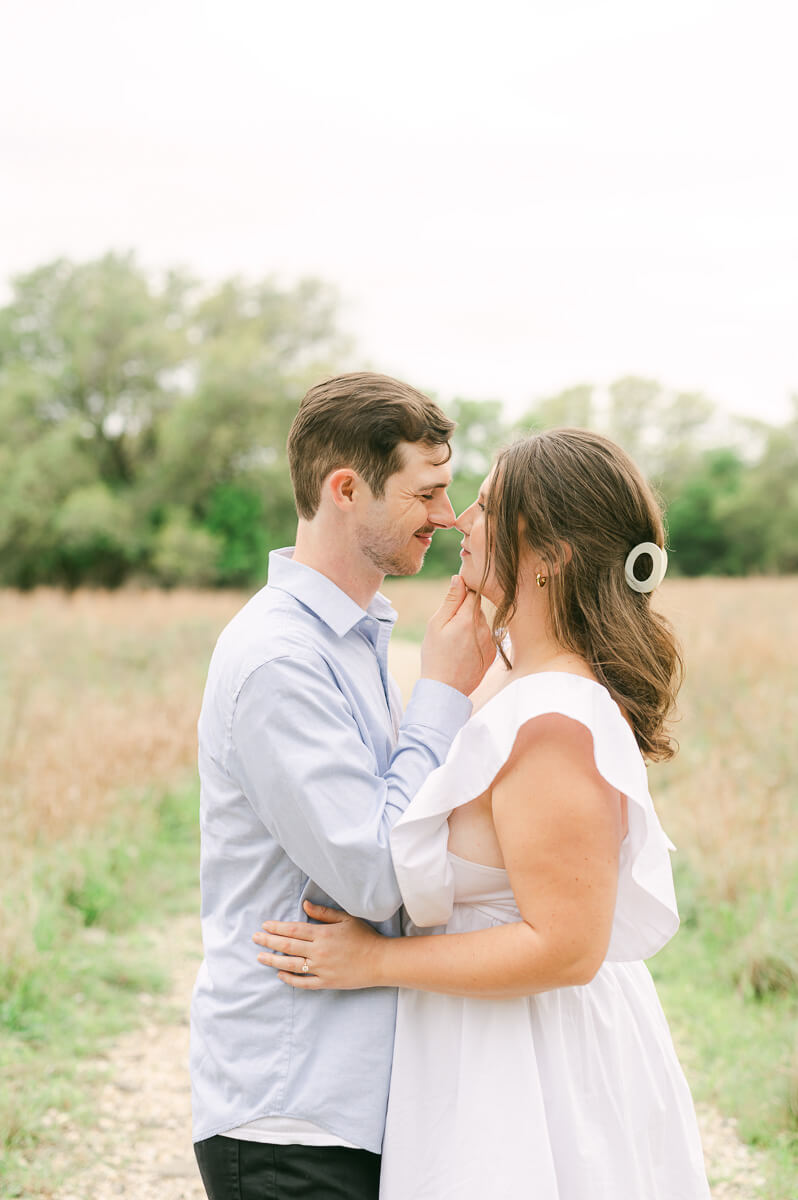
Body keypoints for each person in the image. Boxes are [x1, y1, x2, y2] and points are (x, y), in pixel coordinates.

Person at [254, 428, 712, 1198]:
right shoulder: (501, 675)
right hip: (477, 1047)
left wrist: (373, 963)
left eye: (490, 507)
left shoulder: (556, 721)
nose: (461, 518)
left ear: (552, 553)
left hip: (535, 1075)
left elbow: (567, 948)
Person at [191, 372, 494, 1200]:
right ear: (346, 488)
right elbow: (373, 873)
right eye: (426, 491)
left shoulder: (351, 641)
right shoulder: (281, 660)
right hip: (294, 1112)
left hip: (349, 1106)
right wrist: (440, 693)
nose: (448, 515)